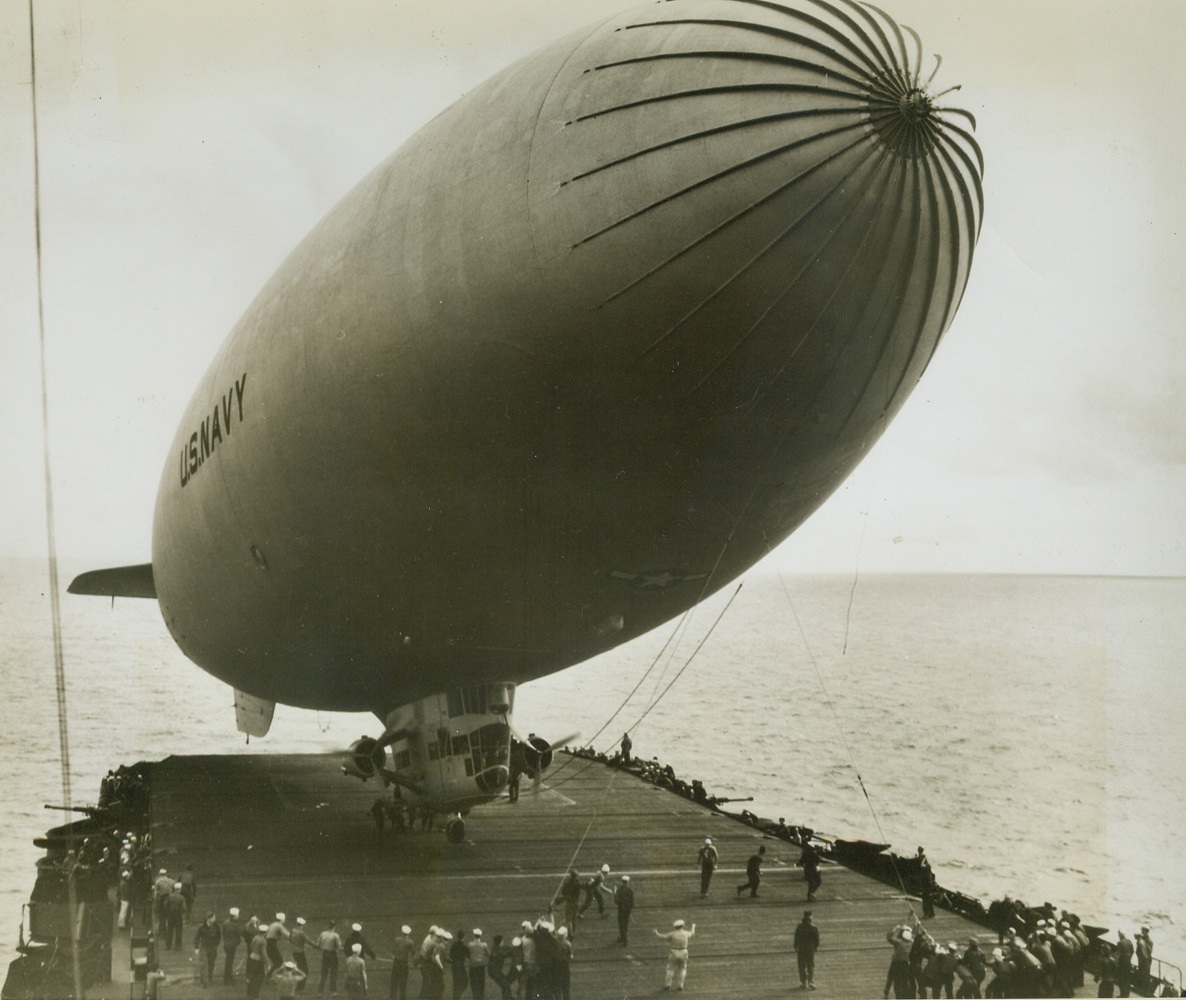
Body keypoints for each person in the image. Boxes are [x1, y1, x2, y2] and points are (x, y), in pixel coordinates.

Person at [653, 918, 695, 992]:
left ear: (675, 927)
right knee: (682, 968)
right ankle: (680, 985)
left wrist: (656, 933)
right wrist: (693, 927)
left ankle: (668, 984)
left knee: (670, 968)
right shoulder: (685, 933)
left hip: (674, 951)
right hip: (684, 951)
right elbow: (692, 933)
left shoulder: (672, 934)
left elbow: (663, 937)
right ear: (682, 926)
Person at [193, 911, 222, 987]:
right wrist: (196, 948)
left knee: (211, 963)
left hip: (213, 947)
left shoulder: (216, 926)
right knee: (203, 964)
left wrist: (216, 944)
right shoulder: (201, 927)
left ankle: (210, 976)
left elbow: (219, 935)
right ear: (209, 919)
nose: (215, 919)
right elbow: (197, 937)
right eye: (213, 918)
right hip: (204, 947)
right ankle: (204, 981)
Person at [794, 910, 819, 990]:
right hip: (810, 949)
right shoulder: (814, 927)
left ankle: (803, 982)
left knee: (801, 965)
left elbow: (796, 937)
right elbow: (817, 940)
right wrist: (815, 947)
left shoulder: (800, 926)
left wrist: (795, 946)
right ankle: (811, 981)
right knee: (810, 965)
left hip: (801, 948)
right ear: (811, 917)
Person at [317, 919, 343, 996]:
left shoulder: (322, 934)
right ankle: (333, 990)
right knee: (333, 972)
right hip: (332, 954)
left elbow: (318, 944)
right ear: (334, 927)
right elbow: (339, 946)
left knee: (324, 972)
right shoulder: (335, 935)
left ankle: (320, 990)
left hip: (325, 954)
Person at [554, 869, 582, 938]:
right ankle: (573, 932)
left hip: (569, 903)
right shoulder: (578, 884)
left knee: (568, 919)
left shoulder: (567, 884)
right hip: (576, 903)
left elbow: (563, 892)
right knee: (574, 918)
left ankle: (571, 933)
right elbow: (578, 893)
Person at [391, 924, 415, 1000]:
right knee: (403, 983)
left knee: (394, 982)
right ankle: (402, 998)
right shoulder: (410, 942)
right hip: (404, 964)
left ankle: (392, 997)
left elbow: (394, 951)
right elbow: (413, 953)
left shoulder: (396, 939)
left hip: (396, 963)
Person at [466, 928, 491, 1000]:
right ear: (480, 935)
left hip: (472, 966)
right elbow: (488, 954)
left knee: (473, 983)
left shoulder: (470, 944)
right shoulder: (484, 945)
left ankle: (475, 997)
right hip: (481, 966)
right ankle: (481, 997)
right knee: (481, 983)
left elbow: (468, 954)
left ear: (474, 935)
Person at [222, 907, 244, 984]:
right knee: (229, 962)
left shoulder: (226, 922)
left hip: (227, 943)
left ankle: (228, 977)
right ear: (235, 916)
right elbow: (240, 932)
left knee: (228, 961)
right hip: (232, 945)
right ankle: (227, 978)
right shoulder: (235, 924)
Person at [163, 882, 186, 950]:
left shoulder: (170, 896)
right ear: (179, 889)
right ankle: (178, 946)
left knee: (170, 930)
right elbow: (184, 908)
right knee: (178, 930)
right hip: (178, 915)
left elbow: (165, 905)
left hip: (170, 914)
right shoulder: (182, 897)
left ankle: (168, 945)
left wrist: (167, 912)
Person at [614, 875, 635, 946]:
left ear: (622, 881)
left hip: (621, 908)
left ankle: (624, 938)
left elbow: (616, 901)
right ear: (628, 881)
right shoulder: (630, 890)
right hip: (628, 909)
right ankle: (623, 937)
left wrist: (614, 893)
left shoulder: (619, 889)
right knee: (625, 924)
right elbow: (632, 901)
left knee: (621, 924)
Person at [291, 917, 310, 993]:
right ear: (302, 925)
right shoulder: (301, 933)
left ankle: (296, 986)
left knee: (298, 969)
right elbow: (309, 941)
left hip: (294, 952)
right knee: (304, 970)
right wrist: (317, 946)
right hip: (300, 953)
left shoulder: (293, 931)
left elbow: (290, 939)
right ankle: (300, 987)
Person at [1115, 931, 1134, 998]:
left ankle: (1122, 995)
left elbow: (1118, 954)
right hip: (1128, 962)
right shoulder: (1129, 942)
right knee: (1127, 979)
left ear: (1120, 935)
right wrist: (1129, 958)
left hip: (1122, 963)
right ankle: (1126, 995)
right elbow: (1132, 951)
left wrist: (1116, 963)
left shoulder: (1120, 943)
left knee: (1121, 979)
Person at [1135, 927, 1153, 994]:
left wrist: (1143, 943)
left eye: (1142, 930)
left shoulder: (1149, 941)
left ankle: (1144, 990)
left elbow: (1150, 951)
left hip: (1146, 960)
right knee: (1140, 972)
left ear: (1146, 931)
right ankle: (1139, 988)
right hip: (1141, 959)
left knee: (1145, 974)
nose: (1141, 931)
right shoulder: (1142, 938)